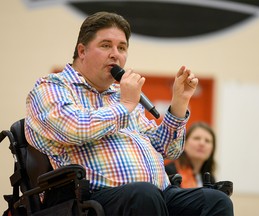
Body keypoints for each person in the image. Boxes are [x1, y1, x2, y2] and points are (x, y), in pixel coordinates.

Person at [25, 11, 233, 215]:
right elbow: (74, 128)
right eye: (106, 45)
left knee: (215, 201)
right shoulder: (51, 87)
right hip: (93, 200)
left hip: (158, 192)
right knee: (144, 195)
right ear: (82, 51)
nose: (116, 54)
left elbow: (168, 149)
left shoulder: (120, 95)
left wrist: (179, 103)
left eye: (122, 47)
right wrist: (124, 105)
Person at [165, 122, 217, 188]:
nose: (202, 143)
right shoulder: (169, 172)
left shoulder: (210, 179)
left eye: (207, 141)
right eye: (197, 138)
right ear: (184, 143)